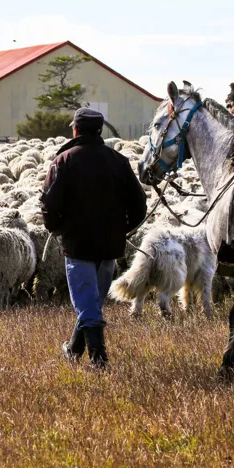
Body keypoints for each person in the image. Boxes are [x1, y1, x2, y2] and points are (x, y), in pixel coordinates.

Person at [40, 108, 147, 368]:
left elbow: (49, 203)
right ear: (99, 131)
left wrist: (55, 228)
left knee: (87, 302)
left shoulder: (63, 160)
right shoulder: (118, 161)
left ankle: (100, 359)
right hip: (110, 244)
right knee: (92, 300)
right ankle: (74, 350)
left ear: (75, 130)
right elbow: (139, 204)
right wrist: (124, 228)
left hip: (78, 244)